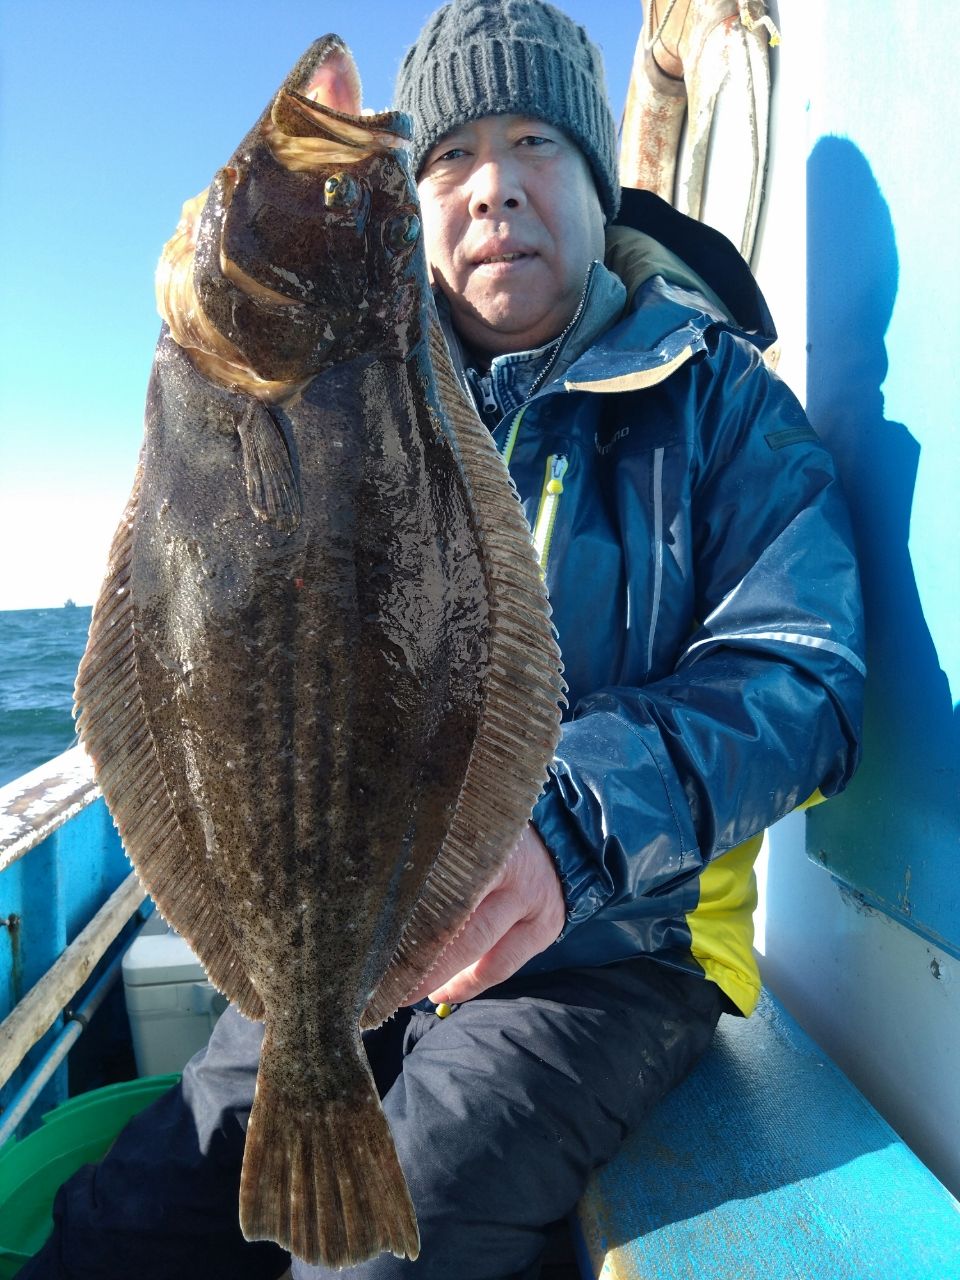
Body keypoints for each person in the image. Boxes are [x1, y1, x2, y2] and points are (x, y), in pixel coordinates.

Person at [22, 2, 865, 1278]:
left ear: (599, 178)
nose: (494, 190)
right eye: (452, 158)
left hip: (611, 947)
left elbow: (805, 675)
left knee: (378, 1251)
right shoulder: (358, 371)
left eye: (534, 142)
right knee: (118, 1233)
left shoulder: (727, 403)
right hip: (338, 940)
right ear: (415, 212)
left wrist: (569, 830)